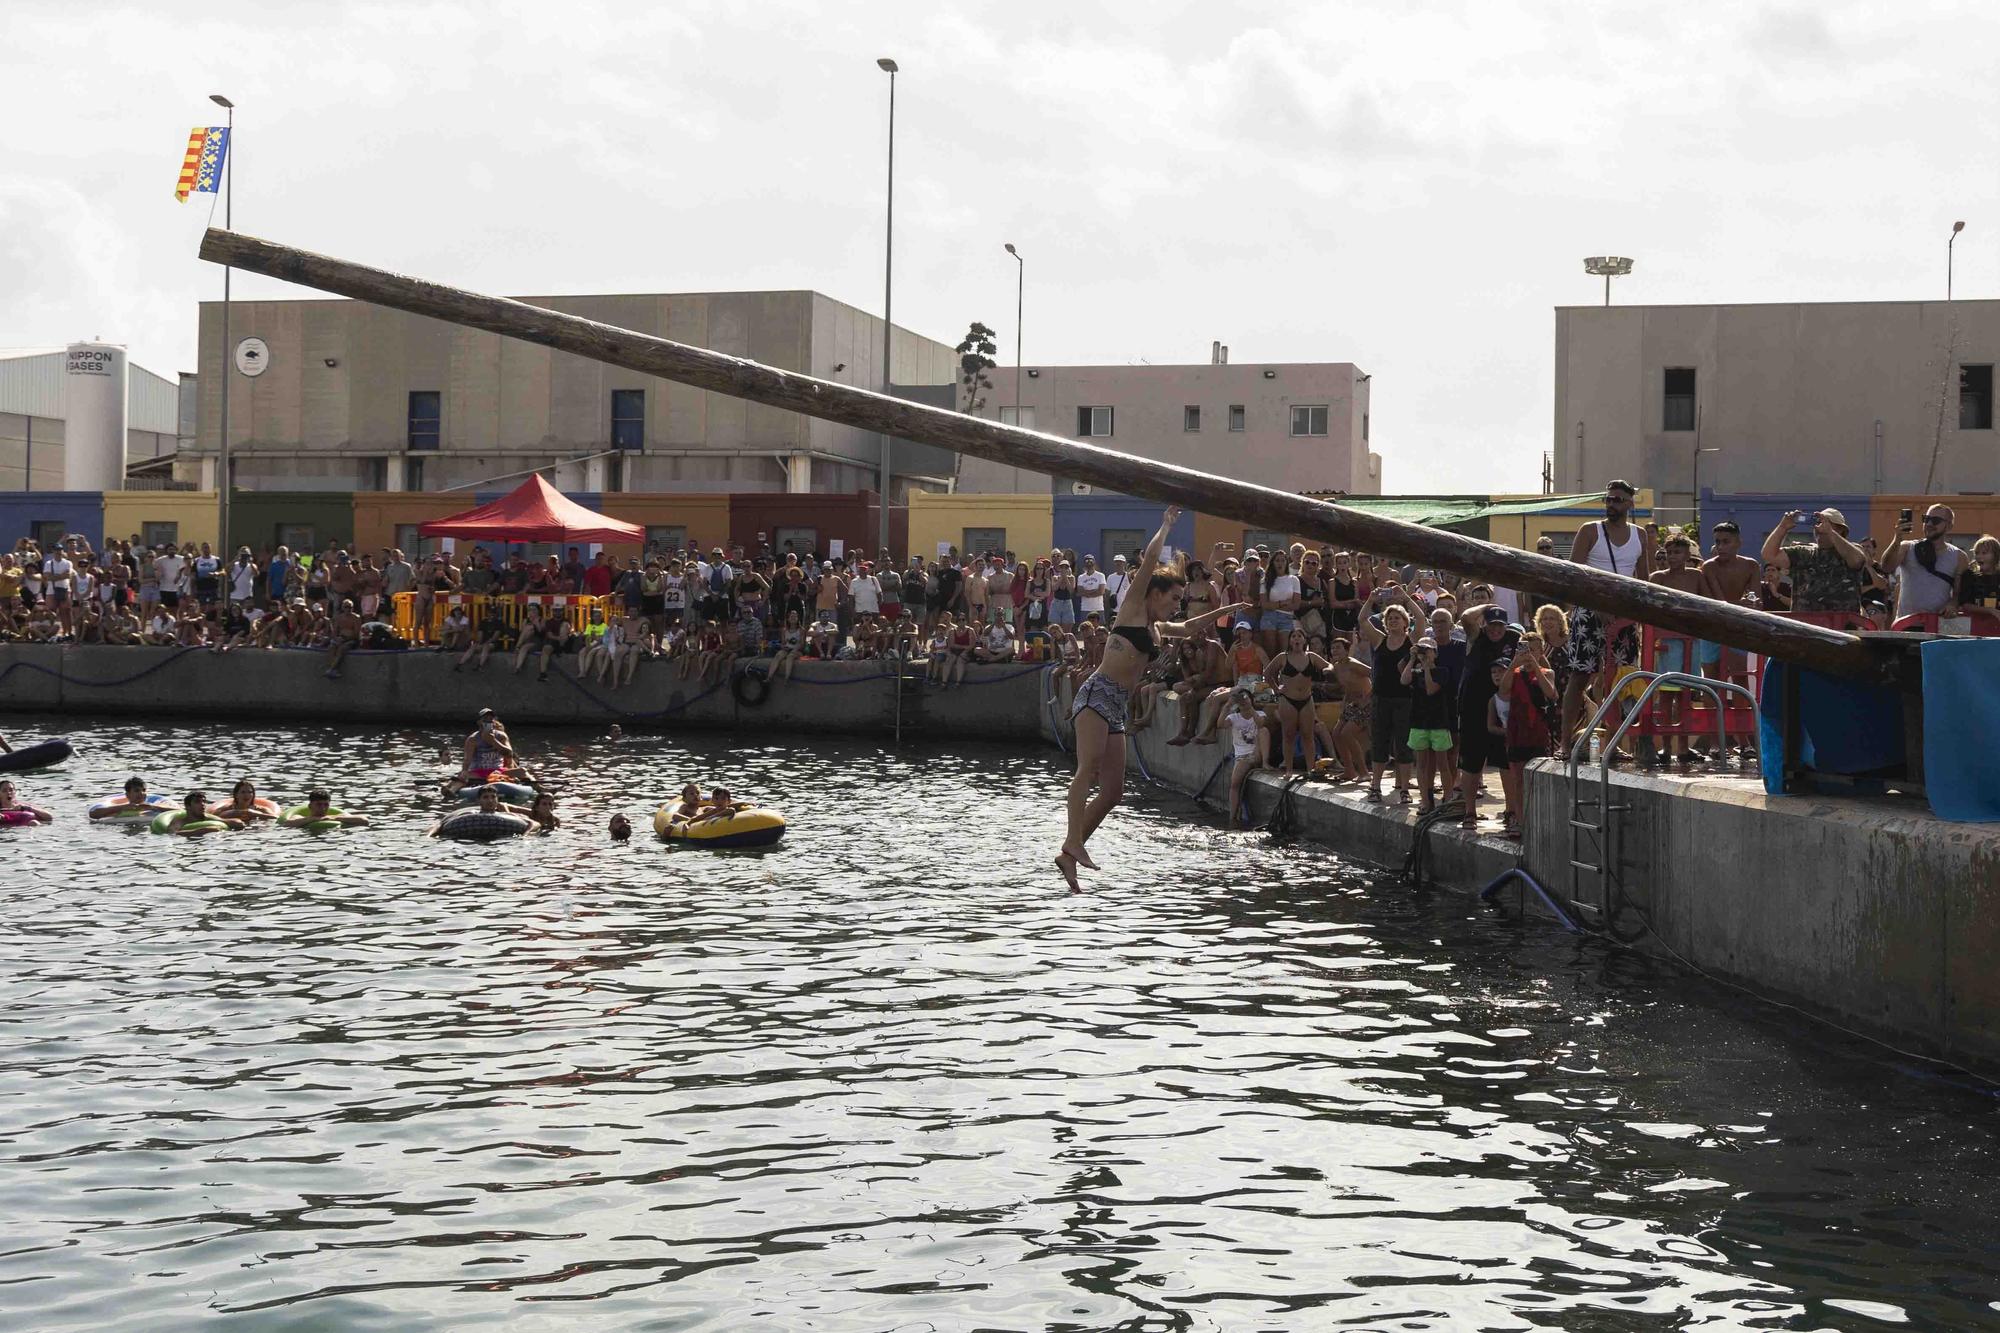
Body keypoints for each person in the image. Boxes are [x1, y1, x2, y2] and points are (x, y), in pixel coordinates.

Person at [1059, 507, 1247, 891]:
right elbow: (1148, 561)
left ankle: (1068, 854)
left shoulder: (1158, 626)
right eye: (1174, 596)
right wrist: (1165, 527)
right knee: (1088, 769)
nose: (1177, 603)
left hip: (1117, 706)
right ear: (1156, 593)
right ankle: (1073, 840)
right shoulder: (1130, 610)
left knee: (1113, 792)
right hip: (1096, 694)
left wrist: (1227, 608)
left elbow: (1192, 625)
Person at [1560, 480, 1656, 749]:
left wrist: (1635, 615)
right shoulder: (1590, 531)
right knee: (1580, 676)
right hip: (1589, 612)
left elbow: (1643, 580)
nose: (1611, 504)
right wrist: (1598, 605)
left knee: (1623, 678)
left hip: (1624, 616)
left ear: (1630, 503)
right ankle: (1565, 743)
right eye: (1609, 499)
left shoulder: (1640, 535)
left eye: (1617, 500)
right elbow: (1575, 573)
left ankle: (1616, 745)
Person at [1759, 507, 1868, 617]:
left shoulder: (1852, 550)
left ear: (1841, 530)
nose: (1820, 527)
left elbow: (1858, 560)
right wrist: (1783, 527)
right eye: (1818, 522)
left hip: (1841, 626)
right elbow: (1769, 555)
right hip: (1806, 626)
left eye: (1826, 522)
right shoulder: (1803, 553)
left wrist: (1830, 532)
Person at [1881, 503, 1968, 623]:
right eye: (1926, 519)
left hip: (1938, 625)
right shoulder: (1907, 547)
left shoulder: (1959, 557)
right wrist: (1897, 539)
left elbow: (1958, 595)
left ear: (1949, 526)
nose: (1929, 524)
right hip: (1906, 625)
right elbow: (1886, 567)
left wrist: (1952, 605)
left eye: (1935, 521)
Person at [1264, 626, 1331, 779]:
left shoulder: (1311, 656)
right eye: (1293, 636)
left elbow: (1328, 665)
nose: (1296, 639)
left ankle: (1311, 769)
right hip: (1288, 699)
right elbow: (1267, 673)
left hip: (1307, 699)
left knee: (1308, 735)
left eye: (1299, 636)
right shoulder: (1283, 657)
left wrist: (1329, 669)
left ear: (1304, 640)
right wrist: (1276, 689)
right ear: (1289, 641)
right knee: (1288, 735)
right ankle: (1288, 769)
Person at [1402, 635, 1451, 811]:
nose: (1425, 653)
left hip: (1438, 723)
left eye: (1428, 650)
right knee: (1421, 765)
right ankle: (1425, 800)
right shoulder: (1415, 671)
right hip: (1418, 722)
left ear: (1435, 653)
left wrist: (1427, 667)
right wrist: (1413, 658)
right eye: (1422, 649)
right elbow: (1404, 680)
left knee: (1442, 764)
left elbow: (1431, 690)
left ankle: (1448, 798)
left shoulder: (1443, 671)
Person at [1217, 688, 1269, 829]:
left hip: (1256, 752)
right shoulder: (1233, 718)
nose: (1244, 702)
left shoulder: (1259, 714)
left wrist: (1249, 707)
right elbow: (1220, 725)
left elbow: (1260, 724)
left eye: (1246, 698)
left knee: (1263, 731)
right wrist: (1228, 705)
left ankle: (1265, 763)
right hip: (1242, 757)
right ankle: (1233, 816)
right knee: (1235, 783)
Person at [159, 790, 244, 837]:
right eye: (197, 802)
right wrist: (202, 830)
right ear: (188, 806)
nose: (202, 804)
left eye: (204, 802)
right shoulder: (180, 821)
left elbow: (239, 823)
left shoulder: (208, 818)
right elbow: (172, 834)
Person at [280, 789, 370, 828]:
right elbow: (287, 824)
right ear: (310, 806)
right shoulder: (299, 817)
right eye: (319, 805)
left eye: (326, 805)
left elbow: (364, 820)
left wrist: (335, 818)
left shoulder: (337, 816)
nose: (323, 808)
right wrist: (313, 819)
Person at [212, 778, 280, 823]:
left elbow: (276, 818)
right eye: (243, 792)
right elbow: (212, 818)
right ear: (236, 795)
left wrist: (254, 814)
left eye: (250, 792)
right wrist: (234, 813)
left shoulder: (261, 810)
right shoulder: (225, 809)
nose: (247, 795)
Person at [89, 776, 156, 820]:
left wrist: (152, 807)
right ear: (128, 795)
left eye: (143, 790)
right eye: (137, 790)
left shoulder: (150, 807)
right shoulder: (120, 810)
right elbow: (93, 814)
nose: (141, 793)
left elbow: (166, 809)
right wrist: (123, 807)